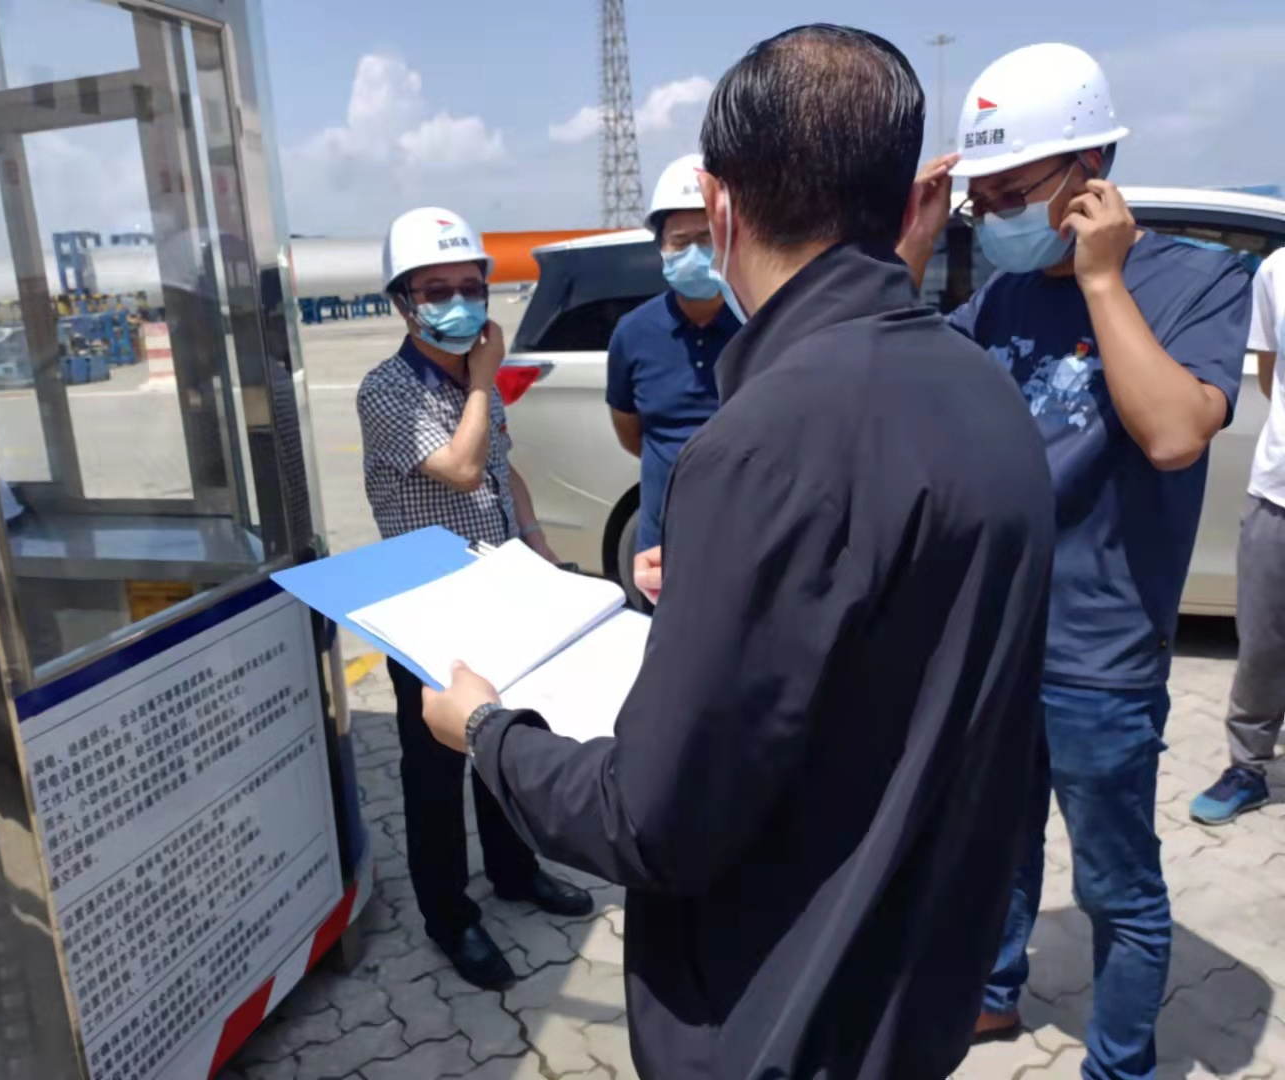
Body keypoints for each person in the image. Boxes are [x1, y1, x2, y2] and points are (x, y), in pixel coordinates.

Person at [418, 26, 1055, 1080]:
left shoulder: (765, 443)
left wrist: (486, 734)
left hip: (785, 1017)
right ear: (904, 201)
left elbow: (649, 821)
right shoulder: (981, 385)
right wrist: (733, 584)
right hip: (916, 989)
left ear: (719, 206)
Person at [898, 43, 1251, 1080]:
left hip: (1100, 653)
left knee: (1115, 886)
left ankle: (1120, 1063)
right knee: (998, 844)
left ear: (1091, 170)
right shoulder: (1001, 298)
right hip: (997, 639)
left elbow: (1176, 433)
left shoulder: (1196, 279)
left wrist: (1101, 280)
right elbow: (899, 374)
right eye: (983, 199)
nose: (995, 215)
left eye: (1015, 193)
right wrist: (912, 247)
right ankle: (992, 991)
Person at [355, 207, 593, 989]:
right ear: (403, 303)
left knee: (505, 738)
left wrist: (538, 541)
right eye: (436, 290)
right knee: (435, 769)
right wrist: (487, 380)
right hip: (427, 607)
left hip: (500, 590)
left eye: (469, 286)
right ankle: (449, 915)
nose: (458, 303)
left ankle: (515, 870)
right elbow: (460, 469)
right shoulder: (388, 390)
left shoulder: (469, 381)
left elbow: (499, 466)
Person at [607, 154, 740, 564]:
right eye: (681, 243)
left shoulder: (761, 324)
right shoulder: (633, 333)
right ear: (661, 248)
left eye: (707, 239)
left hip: (748, 535)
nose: (695, 253)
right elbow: (632, 435)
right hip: (664, 544)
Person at [1191, 246, 1285, 824]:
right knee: (1263, 641)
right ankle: (1248, 767)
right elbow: (1271, 373)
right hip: (1278, 491)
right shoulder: (1277, 270)